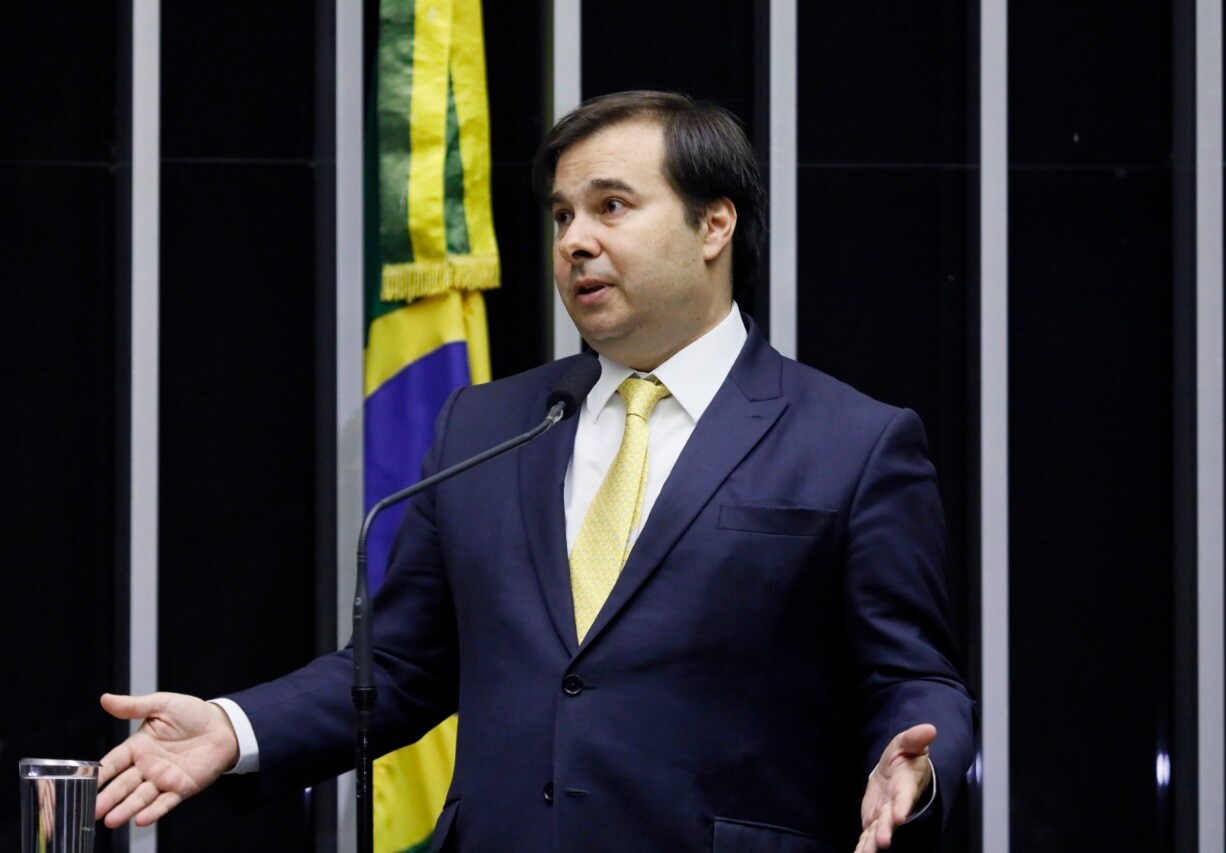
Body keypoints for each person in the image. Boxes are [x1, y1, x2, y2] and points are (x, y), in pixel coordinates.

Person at [94, 91, 975, 852]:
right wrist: (235, 727)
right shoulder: (488, 424)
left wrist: (920, 763)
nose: (576, 242)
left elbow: (911, 677)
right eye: (561, 216)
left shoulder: (853, 443)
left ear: (715, 223)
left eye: (612, 207)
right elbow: (400, 663)